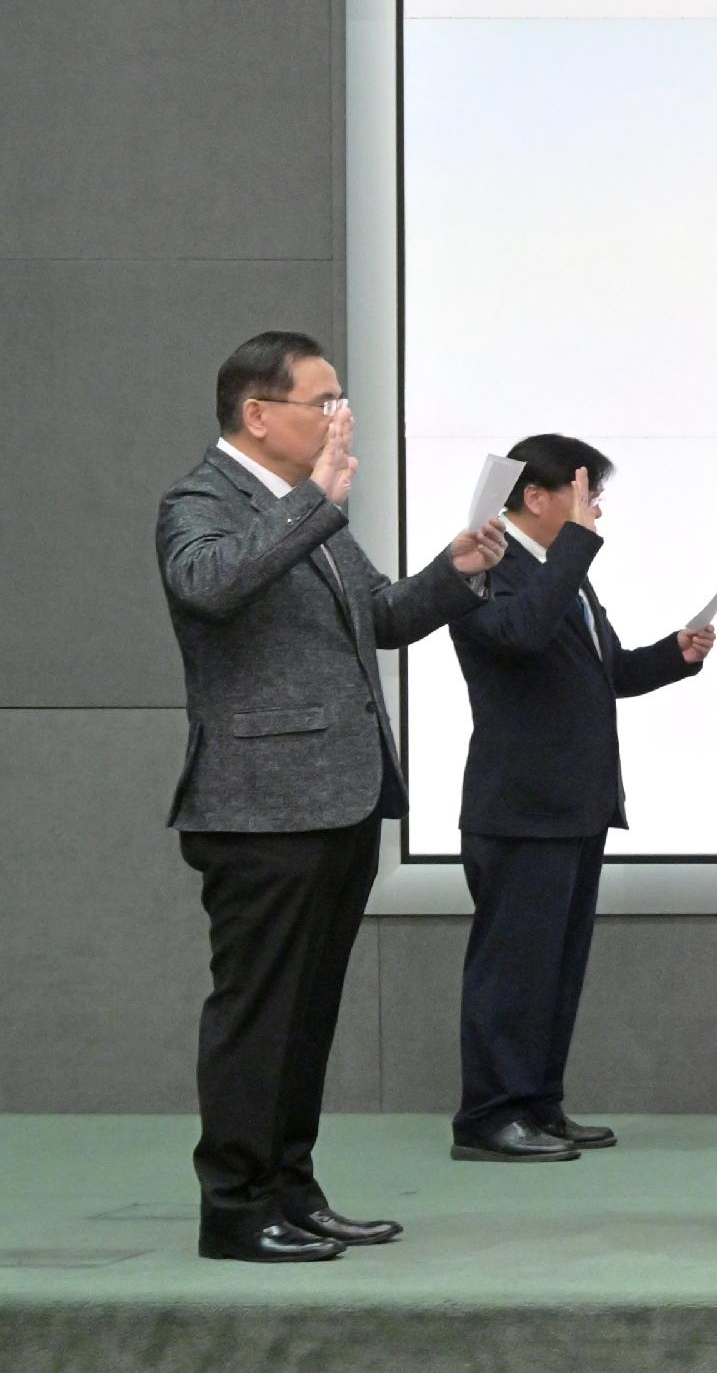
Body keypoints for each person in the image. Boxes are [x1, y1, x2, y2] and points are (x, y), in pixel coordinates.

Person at [161, 332, 506, 1265]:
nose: (339, 418)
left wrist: (457, 570)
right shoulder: (201, 502)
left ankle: (292, 1188)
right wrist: (317, 500)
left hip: (339, 799)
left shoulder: (302, 509)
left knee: (306, 1013)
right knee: (258, 1013)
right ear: (259, 414)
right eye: (326, 402)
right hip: (259, 807)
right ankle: (234, 1208)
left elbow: (383, 617)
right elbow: (209, 586)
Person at [447, 433, 712, 1162]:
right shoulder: (484, 569)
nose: (597, 511)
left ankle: (538, 1104)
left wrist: (673, 656)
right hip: (520, 807)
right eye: (588, 493)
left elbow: (606, 672)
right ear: (537, 497)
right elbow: (522, 638)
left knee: (556, 969)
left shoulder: (565, 576)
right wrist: (575, 550)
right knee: (511, 970)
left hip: (575, 805)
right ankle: (489, 1117)